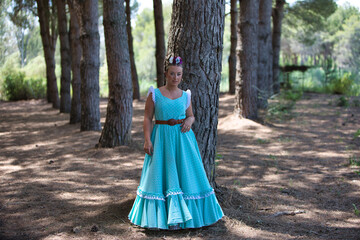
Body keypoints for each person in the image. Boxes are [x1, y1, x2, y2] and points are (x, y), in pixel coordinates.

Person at [128, 56, 224, 230]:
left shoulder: (185, 95)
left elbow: (191, 115)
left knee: (186, 173)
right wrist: (147, 139)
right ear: (166, 74)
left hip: (183, 140)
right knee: (159, 173)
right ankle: (159, 217)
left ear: (182, 75)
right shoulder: (154, 93)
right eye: (172, 73)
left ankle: (189, 217)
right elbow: (148, 118)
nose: (175, 77)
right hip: (161, 138)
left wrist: (189, 121)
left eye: (178, 74)